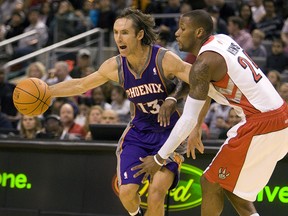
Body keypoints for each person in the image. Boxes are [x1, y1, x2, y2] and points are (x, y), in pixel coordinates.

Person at [132, 9, 288, 216]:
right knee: (234, 191)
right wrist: (191, 120)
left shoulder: (205, 63)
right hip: (279, 119)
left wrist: (160, 158)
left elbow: (188, 112)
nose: (177, 33)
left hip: (261, 123)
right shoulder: (221, 41)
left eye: (182, 28)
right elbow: (203, 86)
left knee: (209, 181)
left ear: (198, 32)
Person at [48, 8, 191, 216]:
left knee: (156, 192)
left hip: (170, 133)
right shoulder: (116, 66)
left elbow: (193, 77)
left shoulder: (163, 58)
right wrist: (48, 91)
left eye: (124, 33)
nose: (118, 38)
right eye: (115, 32)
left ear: (139, 34)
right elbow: (81, 84)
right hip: (139, 132)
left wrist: (172, 98)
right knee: (126, 193)